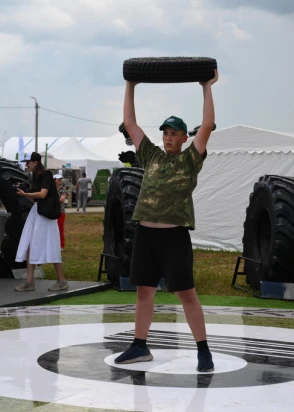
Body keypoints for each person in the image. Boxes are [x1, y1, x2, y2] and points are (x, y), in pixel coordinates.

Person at [114, 70, 219, 373]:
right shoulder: (152, 156)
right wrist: (130, 85)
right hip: (146, 235)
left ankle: (203, 349)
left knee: (186, 293)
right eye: (165, 133)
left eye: (174, 133)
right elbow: (131, 124)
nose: (168, 137)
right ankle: (139, 346)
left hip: (174, 237)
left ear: (185, 138)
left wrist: (206, 87)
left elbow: (208, 125)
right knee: (144, 291)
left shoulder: (190, 159)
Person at [14, 152, 69, 292]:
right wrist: (25, 193)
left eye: (29, 162)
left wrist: (25, 194)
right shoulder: (36, 177)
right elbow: (36, 199)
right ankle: (29, 282)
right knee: (31, 245)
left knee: (50, 245)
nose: (27, 164)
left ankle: (61, 281)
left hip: (44, 216)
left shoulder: (46, 175)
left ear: (36, 162)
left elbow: (43, 194)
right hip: (38, 213)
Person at [54, 174, 67, 250]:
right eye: (58, 179)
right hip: (52, 211)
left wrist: (52, 201)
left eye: (60, 179)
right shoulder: (51, 189)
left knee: (60, 228)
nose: (59, 180)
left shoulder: (62, 189)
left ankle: (61, 245)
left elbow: (62, 200)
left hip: (60, 212)